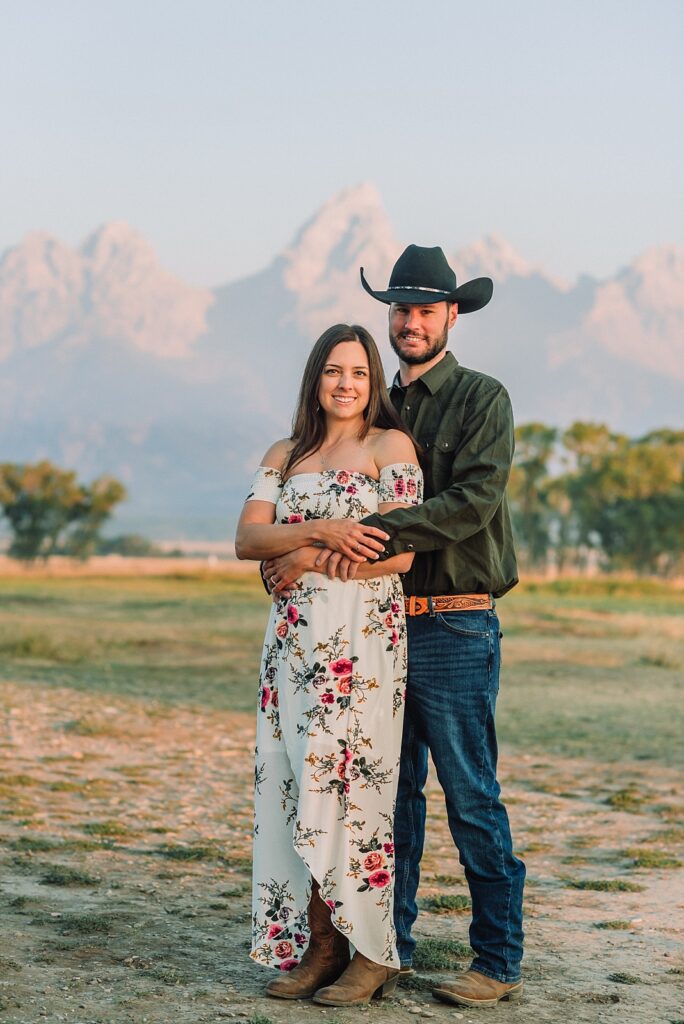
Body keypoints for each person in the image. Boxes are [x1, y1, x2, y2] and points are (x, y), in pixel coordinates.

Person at [266, 245, 526, 1009]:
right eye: (401, 309)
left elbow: (469, 505)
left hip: (453, 624)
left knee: (471, 795)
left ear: (452, 315)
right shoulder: (378, 410)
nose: (410, 322)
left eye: (425, 309)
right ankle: (386, 949)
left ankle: (497, 961)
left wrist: (341, 533)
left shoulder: (483, 397)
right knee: (388, 797)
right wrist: (310, 543)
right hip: (373, 631)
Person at [235, 323, 423, 1007]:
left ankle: (372, 951)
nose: (345, 384)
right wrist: (322, 530)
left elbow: (400, 555)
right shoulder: (286, 453)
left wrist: (306, 555)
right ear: (315, 378)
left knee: (355, 790)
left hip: (361, 647)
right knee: (294, 790)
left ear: (374, 383)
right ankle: (319, 949)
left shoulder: (389, 447)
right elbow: (247, 538)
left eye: (359, 374)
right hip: (291, 644)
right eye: (333, 372)